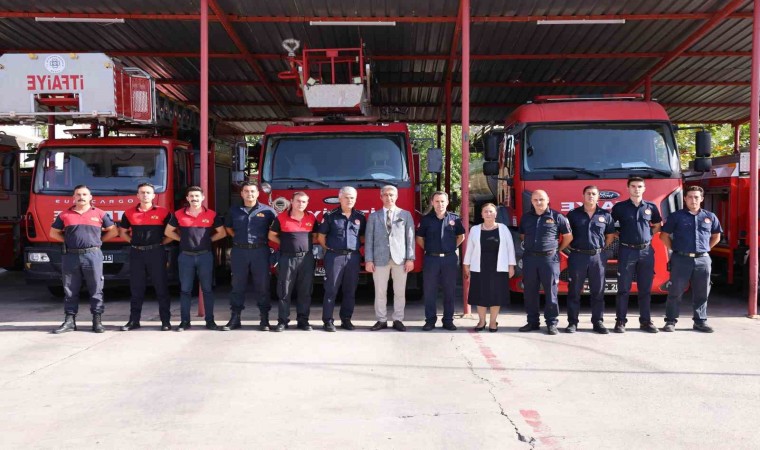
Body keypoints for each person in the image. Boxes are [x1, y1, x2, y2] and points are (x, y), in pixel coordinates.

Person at [51, 185, 118, 334]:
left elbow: (113, 231)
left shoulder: (100, 214)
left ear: (90, 197)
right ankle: (69, 321)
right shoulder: (64, 215)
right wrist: (68, 242)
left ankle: (97, 320)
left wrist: (98, 242)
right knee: (70, 289)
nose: (81, 197)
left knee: (96, 288)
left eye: (84, 194)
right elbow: (54, 233)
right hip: (71, 255)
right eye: (78, 195)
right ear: (73, 198)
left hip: (92, 255)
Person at [659, 186, 722, 332]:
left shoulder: (710, 216)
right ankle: (670, 321)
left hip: (703, 260)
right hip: (681, 259)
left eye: (696, 197)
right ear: (685, 199)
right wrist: (674, 249)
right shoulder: (676, 217)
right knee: (675, 291)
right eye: (690, 197)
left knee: (702, 291)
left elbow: (716, 236)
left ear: (702, 198)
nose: (693, 200)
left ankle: (700, 321)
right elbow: (664, 235)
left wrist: (705, 249)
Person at [165, 186, 227, 331]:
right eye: (191, 196)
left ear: (202, 198)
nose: (194, 199)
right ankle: (185, 322)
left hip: (205, 256)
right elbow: (168, 231)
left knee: (207, 290)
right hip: (185, 256)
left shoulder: (211, 214)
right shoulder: (179, 214)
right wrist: (182, 240)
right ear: (187, 198)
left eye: (197, 196)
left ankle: (210, 321)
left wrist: (207, 241)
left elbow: (222, 233)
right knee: (185, 290)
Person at [119, 182, 173, 332]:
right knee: (136, 288)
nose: (145, 195)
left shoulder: (164, 212)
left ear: (153, 196)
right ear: (137, 195)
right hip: (136, 253)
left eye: (148, 192)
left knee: (161, 287)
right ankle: (133, 321)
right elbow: (122, 232)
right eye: (142, 192)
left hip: (156, 253)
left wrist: (162, 243)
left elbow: (172, 232)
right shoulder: (129, 212)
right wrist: (132, 242)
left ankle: (166, 321)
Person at [611, 177, 662, 333]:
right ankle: (620, 321)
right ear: (628, 188)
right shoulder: (619, 207)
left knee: (645, 289)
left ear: (644, 188)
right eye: (633, 186)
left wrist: (647, 236)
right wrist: (623, 237)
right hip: (627, 251)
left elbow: (658, 225)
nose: (636, 189)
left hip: (646, 252)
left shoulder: (651, 207)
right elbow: (610, 227)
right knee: (623, 289)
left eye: (639, 186)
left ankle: (645, 321)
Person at [518, 190, 572, 335]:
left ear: (548, 200)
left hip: (549, 259)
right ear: (532, 202)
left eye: (541, 199)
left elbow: (568, 237)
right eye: (535, 200)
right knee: (530, 292)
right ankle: (532, 322)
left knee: (551, 292)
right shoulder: (526, 218)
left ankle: (552, 323)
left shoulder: (557, 217)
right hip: (530, 258)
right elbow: (523, 236)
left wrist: (557, 249)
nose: (538, 202)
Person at [224, 182, 277, 331]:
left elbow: (276, 229)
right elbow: (228, 228)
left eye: (253, 191)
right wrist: (239, 239)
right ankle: (235, 318)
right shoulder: (234, 211)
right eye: (246, 191)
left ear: (258, 193)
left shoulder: (268, 211)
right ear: (241, 194)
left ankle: (264, 319)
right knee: (237, 286)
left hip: (260, 251)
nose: (250, 194)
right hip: (239, 252)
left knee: (263, 286)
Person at [565, 186, 616, 334]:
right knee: (574, 291)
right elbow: (567, 235)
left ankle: (598, 322)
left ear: (598, 196)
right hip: (577, 256)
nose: (591, 196)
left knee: (598, 291)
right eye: (588, 194)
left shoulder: (605, 215)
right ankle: (572, 322)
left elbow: (610, 236)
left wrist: (599, 250)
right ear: (583, 195)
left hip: (597, 257)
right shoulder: (573, 215)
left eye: (594, 194)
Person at [365, 185, 416, 332]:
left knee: (399, 291)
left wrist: (410, 258)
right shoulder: (374, 216)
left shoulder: (405, 215)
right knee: (380, 291)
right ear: (381, 197)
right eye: (386, 195)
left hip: (400, 259)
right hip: (379, 259)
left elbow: (410, 238)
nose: (389, 198)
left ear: (396, 196)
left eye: (392, 195)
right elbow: (369, 239)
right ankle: (381, 320)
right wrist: (369, 259)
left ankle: (398, 319)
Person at [317, 186, 366, 332]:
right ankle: (328, 320)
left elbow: (362, 236)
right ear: (340, 198)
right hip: (335, 256)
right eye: (346, 197)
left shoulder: (360, 217)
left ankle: (346, 319)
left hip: (353, 257)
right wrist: (331, 249)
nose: (349, 200)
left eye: (352, 197)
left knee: (350, 290)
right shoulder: (330, 216)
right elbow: (321, 237)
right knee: (331, 289)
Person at [268, 191, 319, 332]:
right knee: (284, 291)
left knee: (305, 291)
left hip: (306, 259)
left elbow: (315, 237)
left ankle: (303, 321)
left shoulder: (312, 218)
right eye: (298, 201)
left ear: (307, 203)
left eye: (304, 201)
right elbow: (271, 235)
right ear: (292, 201)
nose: (300, 204)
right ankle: (283, 321)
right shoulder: (281, 217)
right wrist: (284, 244)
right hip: (287, 258)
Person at [463, 203, 516, 332]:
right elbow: (469, 248)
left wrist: (511, 266)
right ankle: (481, 321)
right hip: (479, 266)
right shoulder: (475, 229)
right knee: (480, 295)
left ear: (496, 214)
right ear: (481, 214)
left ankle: (493, 322)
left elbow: (510, 248)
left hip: (499, 267)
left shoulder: (503, 229)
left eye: (491, 211)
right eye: (485, 211)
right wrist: (466, 264)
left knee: (495, 295)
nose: (488, 214)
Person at [416, 192, 465, 331]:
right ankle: (430, 320)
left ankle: (448, 320)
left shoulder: (454, 219)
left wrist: (451, 248)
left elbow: (461, 236)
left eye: (442, 201)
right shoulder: (426, 220)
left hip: (449, 259)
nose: (440, 204)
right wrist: (431, 250)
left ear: (447, 202)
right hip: (431, 259)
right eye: (437, 201)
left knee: (449, 291)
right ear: (432, 203)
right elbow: (419, 238)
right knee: (430, 291)